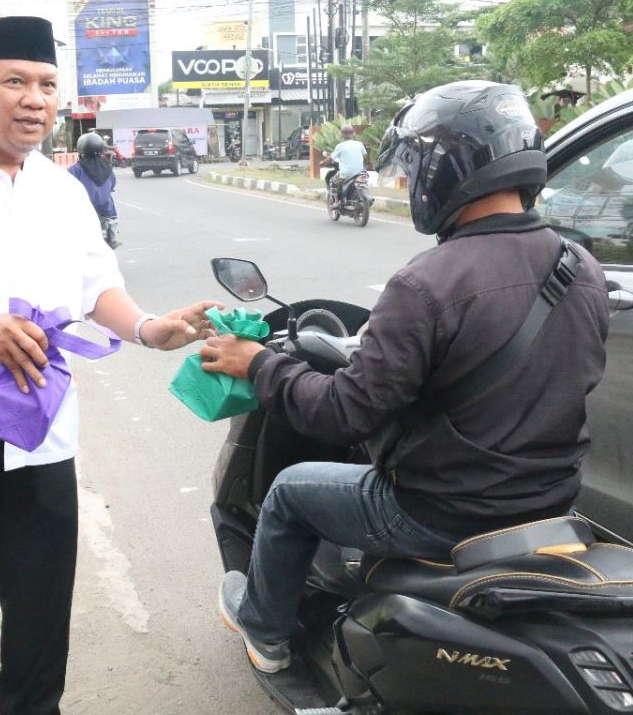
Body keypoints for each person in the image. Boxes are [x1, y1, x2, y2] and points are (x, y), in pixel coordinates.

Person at [0, 15, 219, 715]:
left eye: (47, 85)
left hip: (40, 431)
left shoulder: (63, 190)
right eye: (15, 82)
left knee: (41, 610)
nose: (34, 98)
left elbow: (98, 289)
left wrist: (150, 328)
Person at [201, 81, 609, 673]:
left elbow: (343, 413)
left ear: (448, 169)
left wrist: (259, 362)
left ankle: (265, 632)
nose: (411, 182)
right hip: (548, 499)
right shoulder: (581, 266)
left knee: (290, 490)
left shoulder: (428, 283)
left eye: (416, 166)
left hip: (444, 512)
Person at [67, 131, 118, 246]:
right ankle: (113, 233)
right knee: (111, 205)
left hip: (84, 208)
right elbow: (113, 184)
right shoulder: (107, 166)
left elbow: (67, 186)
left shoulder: (76, 168)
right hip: (105, 209)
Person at [325, 123, 367, 203]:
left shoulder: (340, 146)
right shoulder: (359, 144)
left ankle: (336, 202)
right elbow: (365, 156)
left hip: (345, 174)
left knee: (332, 181)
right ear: (353, 133)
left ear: (342, 134)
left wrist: (323, 163)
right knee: (364, 183)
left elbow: (330, 158)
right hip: (360, 172)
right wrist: (364, 166)